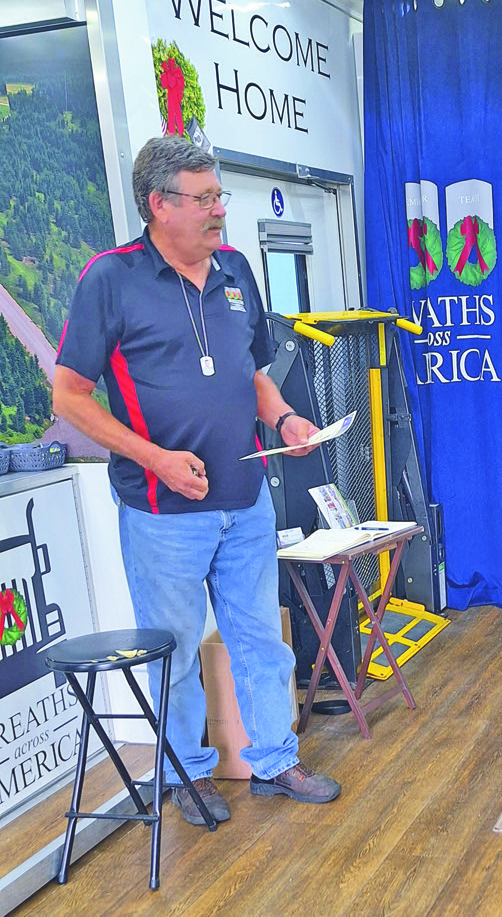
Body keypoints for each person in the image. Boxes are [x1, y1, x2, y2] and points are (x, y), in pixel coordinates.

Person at [53, 136, 340, 825]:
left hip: (244, 500)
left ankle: (275, 759)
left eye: (219, 196)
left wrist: (287, 418)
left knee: (259, 639)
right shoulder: (109, 278)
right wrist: (155, 458)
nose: (218, 210)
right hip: (160, 510)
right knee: (176, 651)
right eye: (204, 197)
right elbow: (69, 396)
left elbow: (256, 373)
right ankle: (187, 775)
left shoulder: (237, 268)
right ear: (159, 204)